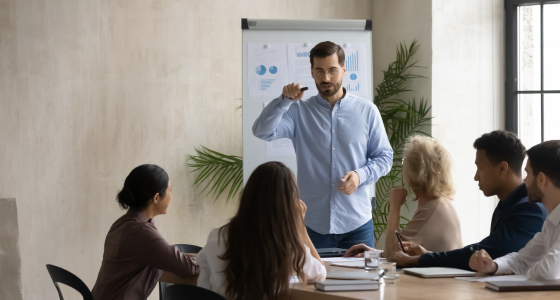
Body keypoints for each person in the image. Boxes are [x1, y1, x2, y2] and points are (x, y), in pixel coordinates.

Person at [252, 41, 392, 249]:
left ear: (344, 70)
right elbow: (262, 131)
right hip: (312, 226)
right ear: (312, 72)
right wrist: (283, 100)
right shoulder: (298, 111)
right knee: (311, 282)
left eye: (332, 71)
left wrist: (360, 175)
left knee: (360, 282)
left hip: (357, 223)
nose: (326, 78)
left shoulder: (367, 111)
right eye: (319, 71)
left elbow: (384, 158)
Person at [387, 130, 547, 270]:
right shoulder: (506, 205)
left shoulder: (529, 208)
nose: (476, 176)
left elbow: (488, 251)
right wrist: (428, 255)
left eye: (480, 167)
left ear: (502, 168)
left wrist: (421, 259)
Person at [469, 140, 560, 285]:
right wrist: (493, 266)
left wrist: (526, 270)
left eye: (527, 174)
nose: (524, 181)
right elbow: (523, 259)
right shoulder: (555, 218)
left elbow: (548, 272)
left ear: (541, 179)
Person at [196, 162, 325, 300]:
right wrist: (300, 228)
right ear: (286, 204)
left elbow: (204, 286)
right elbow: (320, 273)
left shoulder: (217, 237)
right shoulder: (284, 243)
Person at [92, 164, 199, 300]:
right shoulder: (141, 232)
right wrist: (209, 260)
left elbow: (168, 257)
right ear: (156, 198)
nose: (171, 196)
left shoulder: (124, 223)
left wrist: (196, 258)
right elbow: (189, 269)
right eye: (170, 191)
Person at [344, 136, 463, 257]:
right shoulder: (440, 203)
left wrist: (395, 205)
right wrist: (375, 253)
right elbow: (406, 252)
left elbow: (393, 254)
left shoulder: (432, 209)